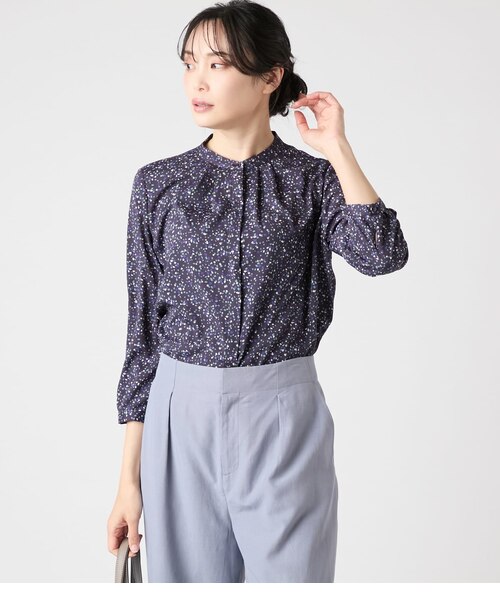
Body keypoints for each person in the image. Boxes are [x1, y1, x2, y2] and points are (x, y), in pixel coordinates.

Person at [107, 0, 409, 583]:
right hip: (177, 418)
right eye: (189, 63)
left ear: (270, 77)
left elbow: (382, 255)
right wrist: (128, 482)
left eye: (217, 64)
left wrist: (337, 148)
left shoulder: (312, 180)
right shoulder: (158, 185)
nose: (197, 80)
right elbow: (142, 339)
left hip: (282, 416)